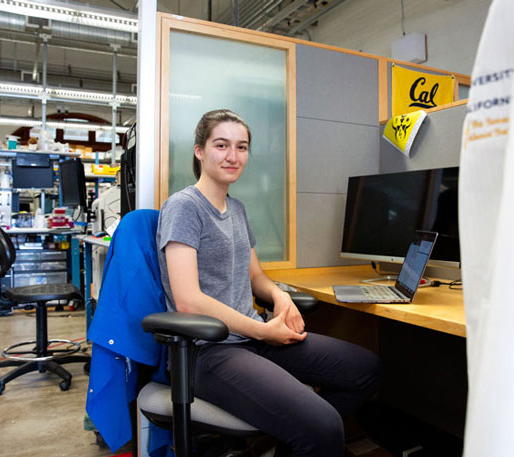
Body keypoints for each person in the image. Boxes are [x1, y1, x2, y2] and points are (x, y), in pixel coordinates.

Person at [157, 109, 380, 457]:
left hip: (253, 337)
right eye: (221, 145)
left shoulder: (237, 209)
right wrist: (263, 331)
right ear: (199, 151)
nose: (233, 156)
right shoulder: (184, 208)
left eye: (242, 147)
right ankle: (311, 437)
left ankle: (295, 443)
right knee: (322, 426)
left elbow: (256, 276)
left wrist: (280, 297)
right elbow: (188, 301)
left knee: (365, 370)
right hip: (207, 352)